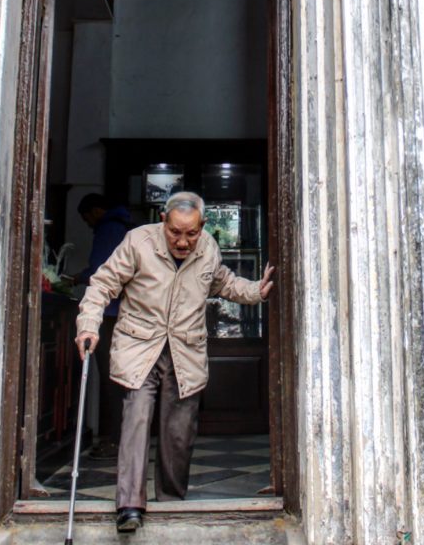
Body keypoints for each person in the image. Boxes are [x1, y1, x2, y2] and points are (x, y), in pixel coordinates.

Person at [74, 191, 275, 534]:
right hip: (140, 347)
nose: (183, 241)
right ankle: (130, 505)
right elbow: (102, 285)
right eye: (175, 232)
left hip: (185, 351)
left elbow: (223, 283)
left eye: (191, 233)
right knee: (136, 420)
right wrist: (88, 325)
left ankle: (170, 501)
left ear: (203, 227)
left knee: (179, 433)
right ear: (163, 221)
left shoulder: (208, 247)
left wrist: (256, 291)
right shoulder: (138, 242)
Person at [72, 192, 132, 457]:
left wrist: (79, 277)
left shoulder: (109, 230)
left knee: (112, 378)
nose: (87, 223)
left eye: (87, 217)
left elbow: (101, 272)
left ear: (96, 211)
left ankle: (115, 440)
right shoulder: (125, 229)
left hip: (109, 313)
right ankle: (124, 439)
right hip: (125, 312)